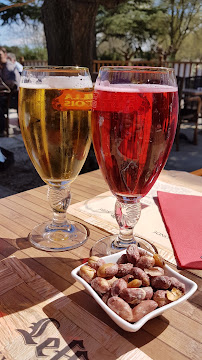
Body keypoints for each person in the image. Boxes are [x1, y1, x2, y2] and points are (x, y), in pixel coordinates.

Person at [0, 47, 20, 136]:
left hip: (13, 97)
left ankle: (1, 130)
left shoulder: (9, 66)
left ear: (5, 55)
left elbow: (12, 84)